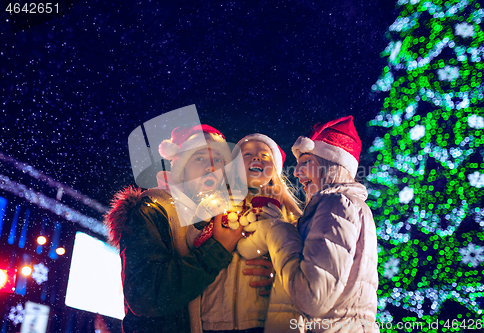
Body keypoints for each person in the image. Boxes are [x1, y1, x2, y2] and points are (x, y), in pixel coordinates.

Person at [105, 124, 248, 333]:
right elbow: (146, 295)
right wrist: (216, 250)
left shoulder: (228, 217)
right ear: (181, 167)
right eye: (199, 158)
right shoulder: (153, 209)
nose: (211, 166)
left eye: (218, 159)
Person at [265, 116, 379, 332]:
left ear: (331, 165)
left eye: (305, 163)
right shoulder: (352, 207)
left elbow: (312, 297)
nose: (296, 172)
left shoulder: (336, 204)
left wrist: (278, 230)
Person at [187, 133, 302, 333]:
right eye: (246, 154)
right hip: (213, 316)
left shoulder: (286, 214)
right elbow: (190, 241)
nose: (256, 157)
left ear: (275, 170)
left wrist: (278, 276)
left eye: (265, 155)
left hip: (261, 318)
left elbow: (297, 260)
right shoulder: (216, 202)